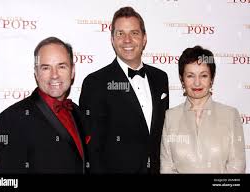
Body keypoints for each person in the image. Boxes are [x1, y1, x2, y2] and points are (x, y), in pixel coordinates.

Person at [79, 6, 169, 174]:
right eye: (120, 33)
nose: (127, 40)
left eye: (134, 33)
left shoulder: (160, 78)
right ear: (112, 39)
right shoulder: (95, 83)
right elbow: (91, 149)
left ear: (144, 39)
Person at [0, 37, 88, 173]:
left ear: (72, 71)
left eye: (61, 66)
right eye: (46, 68)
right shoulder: (13, 118)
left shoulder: (78, 113)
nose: (54, 75)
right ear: (36, 73)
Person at [160, 45, 246, 173]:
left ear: (212, 78)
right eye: (190, 76)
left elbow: (237, 166)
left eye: (203, 76)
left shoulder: (230, 115)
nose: (197, 83)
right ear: (182, 79)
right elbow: (167, 166)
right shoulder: (171, 116)